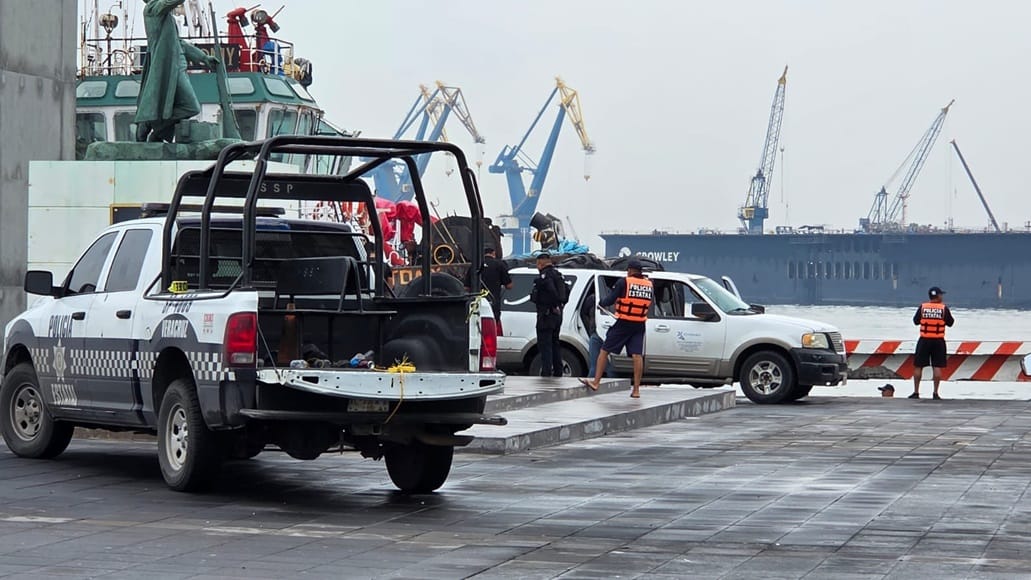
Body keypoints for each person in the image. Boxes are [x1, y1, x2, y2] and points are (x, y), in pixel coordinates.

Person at [135, 0, 221, 142]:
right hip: (168, 67)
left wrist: (203, 57)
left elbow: (178, 42)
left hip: (176, 66)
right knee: (191, 107)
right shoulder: (152, 9)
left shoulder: (165, 15)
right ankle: (152, 124)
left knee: (188, 106)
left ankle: (155, 128)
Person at [579, 259, 654, 398]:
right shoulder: (649, 284)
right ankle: (636, 390)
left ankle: (596, 382)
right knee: (637, 356)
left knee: (604, 350)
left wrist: (601, 302)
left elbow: (610, 300)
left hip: (624, 322)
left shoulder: (624, 282)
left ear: (630, 270)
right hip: (639, 324)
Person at [910, 286, 954, 400]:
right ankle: (935, 393)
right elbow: (950, 323)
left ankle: (916, 392)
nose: (942, 297)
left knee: (918, 366)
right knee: (937, 366)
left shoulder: (923, 307)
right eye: (941, 295)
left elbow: (915, 321)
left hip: (924, 340)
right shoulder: (944, 309)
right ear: (938, 296)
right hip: (938, 341)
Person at [529, 252, 566, 377]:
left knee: (545, 345)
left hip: (546, 315)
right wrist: (559, 306)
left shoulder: (544, 277)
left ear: (540, 264)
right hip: (557, 315)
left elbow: (551, 291)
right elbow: (565, 293)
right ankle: (558, 371)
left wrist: (553, 304)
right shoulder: (558, 275)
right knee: (555, 343)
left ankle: (546, 372)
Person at [465, 247, 513, 333]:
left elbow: (466, 288)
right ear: (493, 253)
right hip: (493, 302)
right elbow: (509, 285)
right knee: (491, 328)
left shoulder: (474, 265)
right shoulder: (499, 265)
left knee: (476, 326)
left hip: (476, 303)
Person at [580, 287, 614, 379]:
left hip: (598, 333)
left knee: (597, 365)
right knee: (606, 366)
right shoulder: (594, 299)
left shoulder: (594, 298)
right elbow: (584, 314)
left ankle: (591, 383)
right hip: (602, 333)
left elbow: (584, 313)